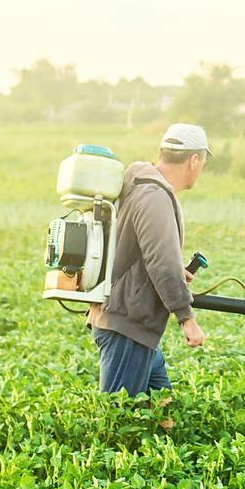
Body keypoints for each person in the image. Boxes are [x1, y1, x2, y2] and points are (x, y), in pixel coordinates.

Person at [88, 122, 210, 396]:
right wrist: (186, 317)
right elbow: (162, 263)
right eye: (202, 162)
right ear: (193, 160)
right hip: (127, 325)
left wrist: (178, 271)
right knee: (119, 417)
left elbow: (142, 252)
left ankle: (168, 433)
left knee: (162, 406)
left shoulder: (139, 184)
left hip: (128, 321)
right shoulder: (154, 196)